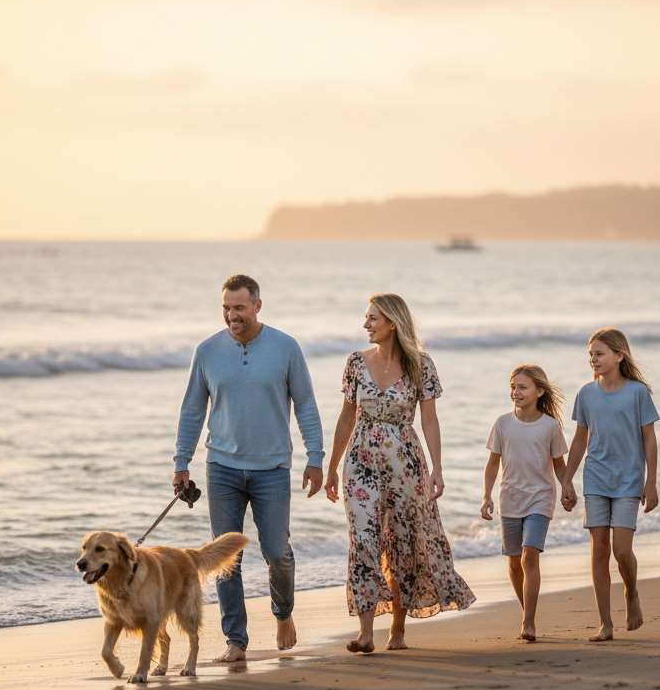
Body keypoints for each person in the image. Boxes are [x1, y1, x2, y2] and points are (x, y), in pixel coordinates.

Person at [172, 273, 324, 662]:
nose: (231, 315)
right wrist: (181, 462)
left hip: (271, 468)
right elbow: (192, 409)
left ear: (257, 305)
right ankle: (235, 641)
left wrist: (315, 457)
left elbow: (305, 404)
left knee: (277, 551)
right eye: (226, 307)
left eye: (239, 307)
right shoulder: (206, 351)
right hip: (221, 466)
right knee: (225, 559)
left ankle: (283, 613)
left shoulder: (286, 347)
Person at [324, 293, 474, 652]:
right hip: (360, 462)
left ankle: (398, 629)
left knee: (402, 542)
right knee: (363, 539)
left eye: (373, 318)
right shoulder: (356, 363)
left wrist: (438, 467)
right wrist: (331, 467)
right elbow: (346, 418)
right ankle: (365, 632)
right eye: (366, 317)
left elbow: (430, 420)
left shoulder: (421, 365)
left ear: (392, 322)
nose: (366, 325)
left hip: (405, 461)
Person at [560, 327, 659, 642]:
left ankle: (631, 591)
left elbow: (649, 440)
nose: (593, 359)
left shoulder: (638, 393)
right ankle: (605, 623)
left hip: (629, 479)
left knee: (621, 550)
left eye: (599, 354)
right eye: (590, 354)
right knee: (599, 549)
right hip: (596, 478)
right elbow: (579, 440)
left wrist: (651, 482)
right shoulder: (586, 394)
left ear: (620, 355)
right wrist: (566, 480)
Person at [480, 364, 570, 642]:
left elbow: (559, 464)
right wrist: (486, 496)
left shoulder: (550, 426)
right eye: (513, 387)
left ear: (539, 391)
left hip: (540, 499)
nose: (515, 392)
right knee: (514, 563)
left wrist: (567, 487)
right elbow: (492, 464)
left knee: (529, 555)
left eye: (522, 387)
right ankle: (525, 611)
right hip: (510, 500)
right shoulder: (503, 423)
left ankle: (528, 622)